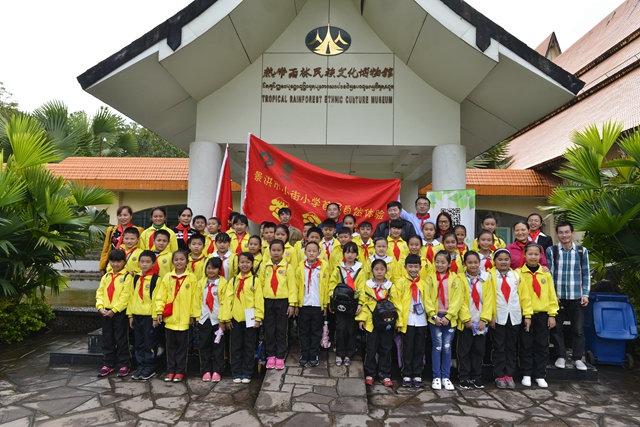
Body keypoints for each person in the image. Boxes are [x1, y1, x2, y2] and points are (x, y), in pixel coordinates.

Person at [547, 221, 590, 372]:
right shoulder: (552, 250)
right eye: (561, 232)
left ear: (572, 233)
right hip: (558, 297)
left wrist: (585, 294)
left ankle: (577, 358)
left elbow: (586, 274)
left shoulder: (581, 251)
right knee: (556, 328)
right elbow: (549, 275)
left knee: (578, 329)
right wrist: (552, 295)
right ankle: (561, 356)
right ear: (557, 234)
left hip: (576, 295)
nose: (564, 235)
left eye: (567, 232)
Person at [154, 249, 200, 382]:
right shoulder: (167, 277)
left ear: (187, 261)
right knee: (171, 346)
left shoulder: (191, 278)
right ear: (172, 261)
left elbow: (195, 298)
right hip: (170, 318)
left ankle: (180, 371)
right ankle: (170, 370)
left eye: (182, 259)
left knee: (182, 347)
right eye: (176, 260)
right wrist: (159, 311)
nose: (179, 262)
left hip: (184, 319)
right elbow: (161, 296)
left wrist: (192, 315)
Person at [489, 248, 532, 389]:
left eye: (506, 259)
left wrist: (527, 315)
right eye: (500, 259)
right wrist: (490, 315)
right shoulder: (489, 276)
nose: (503, 262)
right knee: (499, 347)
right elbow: (487, 298)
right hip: (498, 316)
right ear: (494, 261)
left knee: (511, 347)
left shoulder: (516, 275)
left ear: (510, 261)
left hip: (514, 316)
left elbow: (525, 296)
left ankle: (509, 374)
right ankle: (499, 375)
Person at [518, 243, 558, 388]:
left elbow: (552, 295)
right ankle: (527, 373)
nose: (533, 257)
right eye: (530, 254)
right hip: (526, 315)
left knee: (542, 345)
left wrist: (552, 314)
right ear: (524, 255)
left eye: (536, 254)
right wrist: (527, 315)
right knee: (526, 344)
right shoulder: (518, 273)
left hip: (543, 314)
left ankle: (540, 374)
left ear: (541, 256)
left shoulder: (545, 274)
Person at [220, 252, 264, 383]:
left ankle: (247, 372)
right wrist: (226, 318)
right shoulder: (234, 281)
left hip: (250, 320)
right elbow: (227, 300)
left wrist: (258, 317)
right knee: (236, 346)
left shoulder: (255, 281)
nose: (245, 265)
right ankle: (236, 371)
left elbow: (259, 300)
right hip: (235, 319)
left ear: (252, 264)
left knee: (249, 346)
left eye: (248, 262)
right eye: (242, 262)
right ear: (238, 264)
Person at [357, 258, 401, 387]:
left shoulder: (390, 286)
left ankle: (384, 374)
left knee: (386, 348)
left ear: (386, 270)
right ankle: (370, 373)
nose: (379, 272)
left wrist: (399, 323)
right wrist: (362, 319)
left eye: (382, 269)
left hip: (387, 322)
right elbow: (363, 303)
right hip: (371, 322)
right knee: (371, 348)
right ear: (372, 271)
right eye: (376, 269)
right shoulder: (367, 285)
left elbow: (397, 305)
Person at [425, 250, 464, 390]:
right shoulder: (430, 278)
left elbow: (458, 299)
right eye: (437, 262)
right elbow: (427, 298)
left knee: (447, 347)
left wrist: (449, 316)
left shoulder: (455, 279)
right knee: (437, 346)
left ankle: (446, 377)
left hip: (449, 319)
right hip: (435, 318)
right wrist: (433, 315)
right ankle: (436, 376)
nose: (439, 265)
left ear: (449, 264)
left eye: (443, 262)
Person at [457, 251, 495, 390]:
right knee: (464, 350)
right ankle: (464, 376)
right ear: (464, 263)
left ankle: (476, 376)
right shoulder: (460, 278)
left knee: (478, 350)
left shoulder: (486, 278)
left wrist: (484, 319)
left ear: (479, 263)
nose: (473, 265)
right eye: (470, 262)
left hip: (480, 321)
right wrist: (466, 319)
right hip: (467, 321)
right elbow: (459, 300)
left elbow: (489, 299)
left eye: (475, 262)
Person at [96, 249, 133, 377]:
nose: (115, 264)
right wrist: (100, 307)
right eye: (112, 261)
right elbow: (100, 293)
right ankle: (108, 363)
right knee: (107, 338)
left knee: (121, 338)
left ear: (124, 262)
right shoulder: (106, 276)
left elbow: (125, 296)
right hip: (106, 311)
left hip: (119, 312)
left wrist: (114, 310)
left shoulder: (127, 277)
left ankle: (124, 364)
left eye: (118, 261)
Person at [260, 240, 297, 370]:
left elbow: (292, 286)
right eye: (273, 250)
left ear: (283, 252)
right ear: (269, 251)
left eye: (279, 250)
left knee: (281, 329)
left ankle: (280, 356)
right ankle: (270, 355)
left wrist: (292, 304)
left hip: (283, 301)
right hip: (268, 301)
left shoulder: (287, 267)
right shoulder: (264, 266)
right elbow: (260, 285)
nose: (276, 253)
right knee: (269, 329)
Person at [329, 242, 364, 367]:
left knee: (351, 329)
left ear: (357, 254)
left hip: (353, 304)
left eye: (353, 252)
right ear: (343, 254)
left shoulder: (360, 270)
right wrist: (331, 300)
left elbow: (362, 288)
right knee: (340, 328)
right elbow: (332, 284)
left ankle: (349, 353)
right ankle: (339, 353)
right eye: (348, 252)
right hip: (340, 304)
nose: (350, 255)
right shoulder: (338, 269)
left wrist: (360, 303)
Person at [295, 241, 329, 367]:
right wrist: (296, 304)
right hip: (304, 304)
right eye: (309, 251)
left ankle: (313, 353)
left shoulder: (324, 267)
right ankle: (304, 353)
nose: (311, 253)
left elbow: (327, 286)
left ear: (319, 253)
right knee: (304, 330)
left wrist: (325, 304)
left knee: (316, 330)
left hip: (317, 304)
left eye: (314, 251)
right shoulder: (300, 267)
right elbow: (297, 286)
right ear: (305, 252)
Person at [127, 250, 160, 380]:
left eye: (147, 262)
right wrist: (130, 315)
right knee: (138, 342)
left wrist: (155, 317)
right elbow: (131, 297)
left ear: (153, 263)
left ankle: (150, 366)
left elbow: (158, 299)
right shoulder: (136, 279)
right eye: (142, 262)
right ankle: (140, 366)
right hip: (137, 315)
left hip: (148, 316)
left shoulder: (156, 279)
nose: (144, 264)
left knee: (149, 343)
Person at [398, 254, 428, 388]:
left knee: (419, 348)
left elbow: (429, 301)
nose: (413, 269)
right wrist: (399, 322)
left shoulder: (424, 283)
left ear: (420, 268)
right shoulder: (401, 283)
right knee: (407, 347)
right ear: (405, 267)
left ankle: (417, 373)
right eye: (410, 266)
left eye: (416, 267)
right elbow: (397, 303)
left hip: (422, 320)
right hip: (408, 320)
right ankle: (406, 373)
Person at [197, 257, 228, 382]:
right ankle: (206, 370)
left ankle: (217, 370)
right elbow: (197, 301)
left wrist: (223, 320)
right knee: (204, 345)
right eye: (209, 268)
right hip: (204, 319)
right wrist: (196, 317)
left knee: (218, 346)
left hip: (217, 319)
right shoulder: (201, 283)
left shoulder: (223, 283)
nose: (211, 271)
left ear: (219, 270)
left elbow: (225, 303)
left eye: (214, 268)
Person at [99, 205, 143, 275]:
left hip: (130, 264)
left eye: (125, 215)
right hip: (113, 264)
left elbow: (141, 247)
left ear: (131, 216)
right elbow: (106, 249)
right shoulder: (111, 230)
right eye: (120, 215)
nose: (122, 218)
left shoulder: (138, 230)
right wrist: (102, 267)